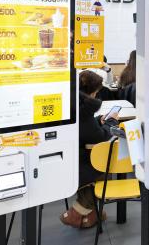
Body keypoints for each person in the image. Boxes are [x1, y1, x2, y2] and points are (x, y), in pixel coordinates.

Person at [60, 70, 118, 228]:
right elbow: (100, 137)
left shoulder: (73, 106)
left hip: (68, 158)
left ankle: (91, 216)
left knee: (97, 163)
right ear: (93, 92)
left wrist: (99, 120)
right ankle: (76, 213)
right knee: (103, 167)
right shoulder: (84, 113)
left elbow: (87, 130)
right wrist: (110, 122)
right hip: (79, 164)